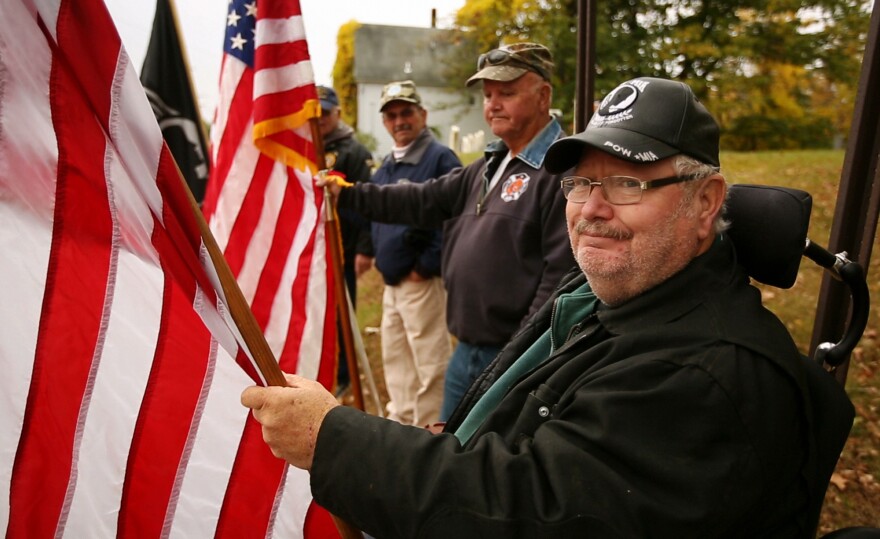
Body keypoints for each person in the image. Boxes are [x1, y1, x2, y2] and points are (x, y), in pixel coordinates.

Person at [242, 77, 835, 536]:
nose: (591, 207)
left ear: (706, 203)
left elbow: (531, 511)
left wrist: (335, 440)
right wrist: (452, 435)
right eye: (579, 183)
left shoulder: (705, 375)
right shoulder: (611, 296)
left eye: (628, 183)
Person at [321, 43, 576, 419]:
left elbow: (559, 276)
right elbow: (420, 199)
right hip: (466, 349)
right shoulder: (489, 166)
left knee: (485, 462)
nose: (493, 104)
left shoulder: (561, 169)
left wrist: (519, 355)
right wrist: (349, 195)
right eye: (488, 95)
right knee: (451, 452)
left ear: (543, 96)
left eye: (507, 92)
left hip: (513, 357)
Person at [371, 80, 461, 426]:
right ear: (384, 122)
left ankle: (428, 431)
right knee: (396, 358)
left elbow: (453, 217)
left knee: (429, 362)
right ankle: (401, 425)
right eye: (391, 115)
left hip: (420, 281)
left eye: (406, 112)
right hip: (392, 283)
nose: (399, 121)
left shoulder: (439, 158)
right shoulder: (387, 165)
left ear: (422, 114)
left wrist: (425, 265)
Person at [316, 85, 374, 392]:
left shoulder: (355, 152)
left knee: (341, 315)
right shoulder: (306, 146)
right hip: (315, 251)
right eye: (316, 112)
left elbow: (370, 206)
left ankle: (342, 375)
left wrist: (365, 249)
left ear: (338, 113)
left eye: (325, 112)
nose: (320, 117)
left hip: (346, 248)